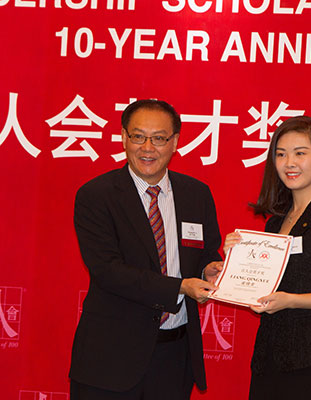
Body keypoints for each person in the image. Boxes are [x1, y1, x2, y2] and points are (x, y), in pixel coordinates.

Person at [70, 99, 223, 400]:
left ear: (175, 142)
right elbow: (108, 271)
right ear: (124, 138)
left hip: (175, 356)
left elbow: (206, 252)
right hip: (111, 358)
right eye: (138, 136)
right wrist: (180, 286)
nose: (147, 147)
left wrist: (211, 269)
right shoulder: (96, 196)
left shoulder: (196, 194)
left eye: (159, 138)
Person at [224, 116, 311, 399]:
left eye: (300, 153)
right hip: (268, 360)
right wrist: (234, 261)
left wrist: (292, 300)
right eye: (280, 154)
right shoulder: (275, 222)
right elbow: (262, 294)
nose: (289, 163)